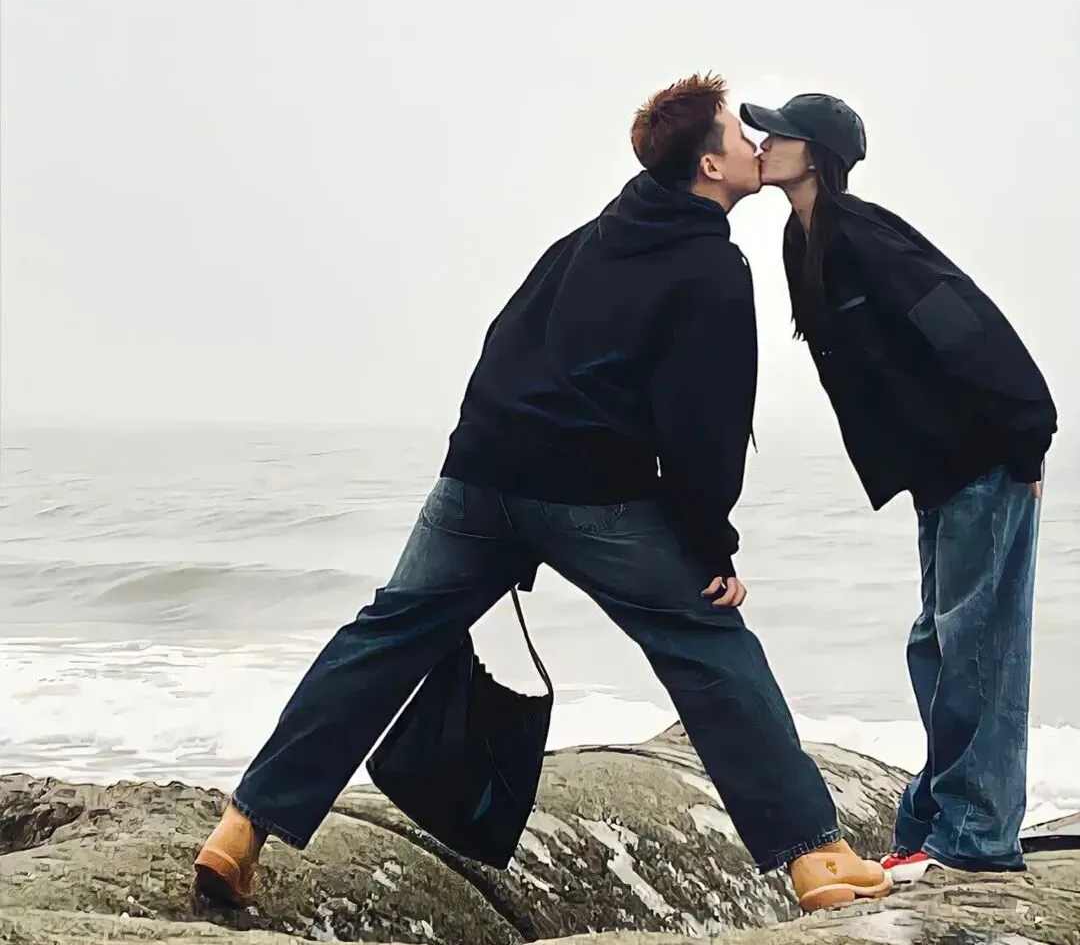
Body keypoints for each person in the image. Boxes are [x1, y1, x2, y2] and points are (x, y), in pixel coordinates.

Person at [194, 74, 890, 913]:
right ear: (710, 166)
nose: (754, 144)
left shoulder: (586, 239)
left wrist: (481, 463)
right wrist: (713, 547)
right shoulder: (710, 266)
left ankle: (241, 829)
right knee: (708, 644)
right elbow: (703, 428)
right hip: (590, 496)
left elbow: (503, 341)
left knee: (383, 639)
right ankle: (815, 857)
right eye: (739, 137)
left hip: (478, 475)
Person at [741, 93, 1057, 881]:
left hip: (988, 457)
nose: (763, 142)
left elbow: (964, 324)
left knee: (976, 645)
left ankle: (978, 835)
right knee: (937, 644)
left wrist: (1028, 437)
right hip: (938, 472)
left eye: (779, 133)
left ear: (816, 153)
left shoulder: (863, 234)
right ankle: (937, 817)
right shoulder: (802, 239)